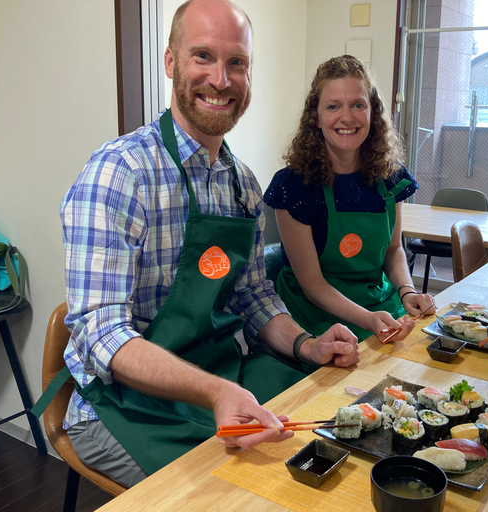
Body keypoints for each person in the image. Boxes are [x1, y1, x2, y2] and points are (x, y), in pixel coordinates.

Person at [37, 0, 359, 488]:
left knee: (332, 436)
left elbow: (253, 296)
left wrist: (306, 344)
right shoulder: (119, 174)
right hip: (122, 404)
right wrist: (213, 392)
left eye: (237, 63)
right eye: (202, 56)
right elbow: (100, 335)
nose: (221, 80)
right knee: (250, 492)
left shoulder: (242, 185)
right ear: (170, 62)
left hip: (220, 378)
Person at [264, 55, 434, 343]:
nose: (347, 117)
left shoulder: (391, 177)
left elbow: (393, 250)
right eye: (333, 106)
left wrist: (407, 290)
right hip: (314, 316)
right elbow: (312, 284)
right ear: (315, 118)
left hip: (379, 306)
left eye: (358, 105)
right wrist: (367, 320)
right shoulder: (294, 186)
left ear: (372, 113)